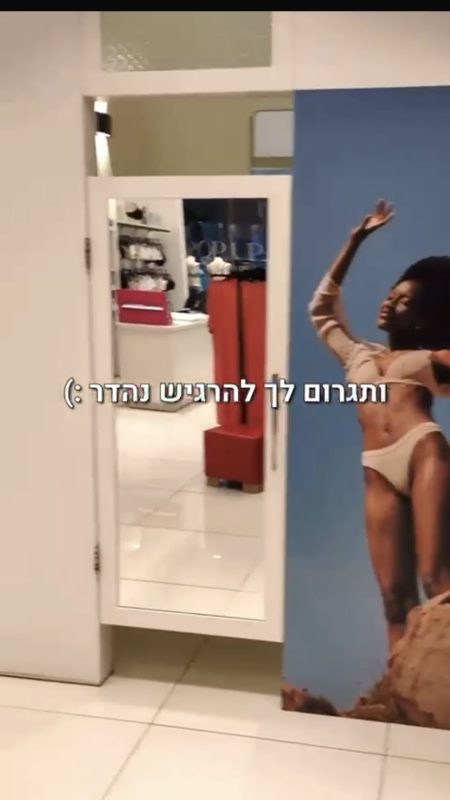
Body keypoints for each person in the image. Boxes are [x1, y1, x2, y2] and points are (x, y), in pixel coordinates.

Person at [309, 200, 450, 653]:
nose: (390, 300)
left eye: (404, 300)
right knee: (393, 599)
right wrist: (355, 240)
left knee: (437, 578)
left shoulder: (432, 358)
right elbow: (321, 308)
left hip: (423, 451)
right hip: (376, 470)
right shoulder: (358, 354)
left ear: (423, 317)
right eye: (390, 293)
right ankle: (400, 687)